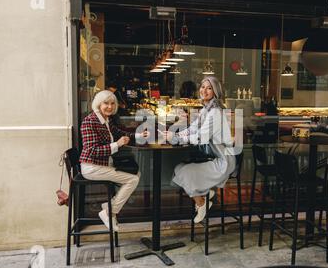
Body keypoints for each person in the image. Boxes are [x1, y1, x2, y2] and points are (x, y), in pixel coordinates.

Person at [164, 77, 237, 223]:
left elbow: (200, 138)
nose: (204, 90)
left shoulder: (215, 112)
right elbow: (192, 129)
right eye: (202, 87)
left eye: (209, 88)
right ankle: (205, 194)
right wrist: (175, 135)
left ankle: (201, 202)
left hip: (223, 162)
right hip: (213, 158)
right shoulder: (206, 109)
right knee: (179, 168)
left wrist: (176, 138)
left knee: (184, 171)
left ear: (215, 92)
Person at [79, 90, 149, 231]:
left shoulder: (105, 120)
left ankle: (109, 207)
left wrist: (138, 134)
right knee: (132, 180)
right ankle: (109, 212)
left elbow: (119, 132)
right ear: (98, 104)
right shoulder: (90, 121)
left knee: (136, 174)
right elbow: (92, 151)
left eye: (112, 103)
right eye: (106, 103)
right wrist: (117, 144)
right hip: (92, 167)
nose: (109, 107)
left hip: (103, 165)